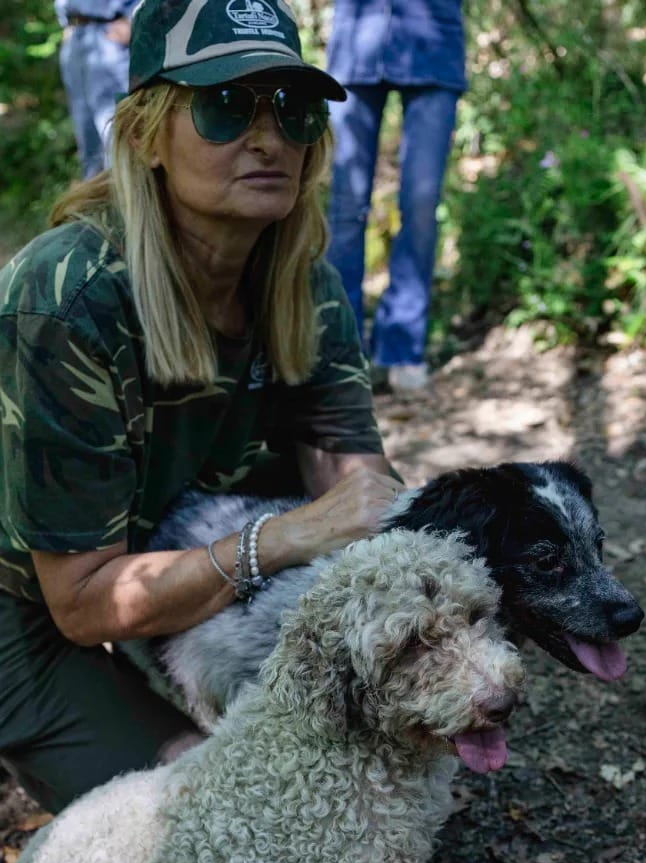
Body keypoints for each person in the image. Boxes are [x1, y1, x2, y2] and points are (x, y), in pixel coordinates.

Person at [0, 0, 401, 814]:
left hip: (173, 569)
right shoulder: (67, 297)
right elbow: (81, 603)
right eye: (225, 107)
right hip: (30, 602)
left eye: (294, 112)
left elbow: (359, 487)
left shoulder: (303, 284)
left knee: (340, 793)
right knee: (212, 824)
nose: (269, 139)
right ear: (148, 132)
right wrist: (283, 537)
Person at [325, 0, 466, 394]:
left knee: (421, 205)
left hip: (434, 46)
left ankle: (403, 348)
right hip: (356, 45)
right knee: (345, 207)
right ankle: (342, 352)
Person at [54, 0, 136, 178]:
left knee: (116, 135)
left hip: (109, 35)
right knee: (87, 139)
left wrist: (135, 20)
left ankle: (128, 200)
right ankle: (98, 203)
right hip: (75, 34)